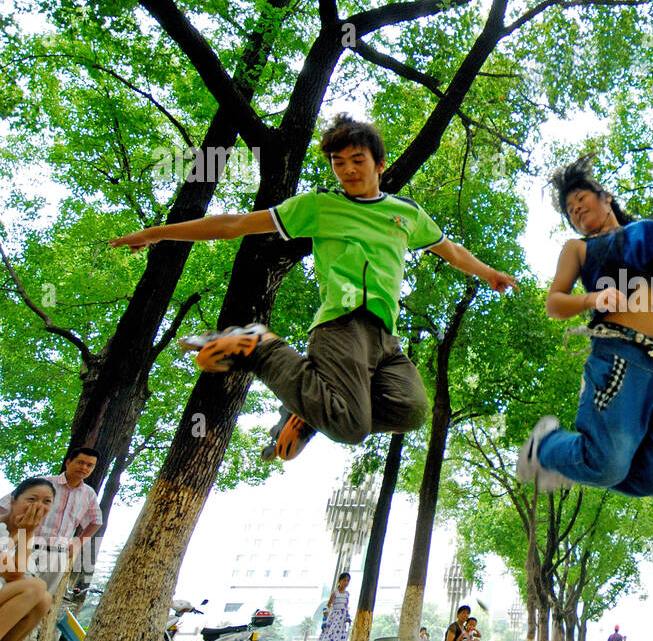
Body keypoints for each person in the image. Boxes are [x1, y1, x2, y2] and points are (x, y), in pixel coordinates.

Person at [110, 114, 517, 462]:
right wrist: (157, 233)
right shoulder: (319, 205)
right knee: (349, 426)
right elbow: (235, 224)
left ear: (380, 163)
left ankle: (308, 412)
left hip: (384, 337)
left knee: (411, 411)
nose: (348, 170)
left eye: (358, 160)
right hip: (342, 325)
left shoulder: (407, 212)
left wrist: (488, 273)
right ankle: (259, 346)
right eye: (339, 163)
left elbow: (452, 251)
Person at [515, 154, 653, 496]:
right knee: (606, 465)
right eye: (570, 209)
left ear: (606, 197)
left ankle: (581, 462)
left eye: (581, 199)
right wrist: (592, 299)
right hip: (622, 357)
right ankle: (548, 448)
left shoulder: (652, 232)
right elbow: (555, 303)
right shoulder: (579, 248)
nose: (576, 209)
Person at [0, 447, 103, 592]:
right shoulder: (43, 484)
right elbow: (4, 506)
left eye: (89, 465)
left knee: (39, 601)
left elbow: (96, 521)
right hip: (28, 549)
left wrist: (78, 543)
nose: (84, 468)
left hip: (58, 556)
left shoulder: (88, 494)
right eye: (80, 462)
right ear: (68, 463)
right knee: (13, 594)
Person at [0, 478, 55, 641]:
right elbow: (12, 574)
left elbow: (17, 575)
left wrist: (26, 533)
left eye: (46, 501)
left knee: (43, 599)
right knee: (34, 587)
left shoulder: (26, 533)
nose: (38, 506)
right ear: (13, 501)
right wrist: (24, 533)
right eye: (31, 499)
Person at [314, 572, 351, 641]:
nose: (346, 583)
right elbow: (328, 606)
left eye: (348, 581)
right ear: (340, 581)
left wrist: (347, 617)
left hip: (341, 621)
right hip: (334, 619)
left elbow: (346, 607)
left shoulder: (347, 594)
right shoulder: (335, 593)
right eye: (344, 580)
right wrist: (325, 620)